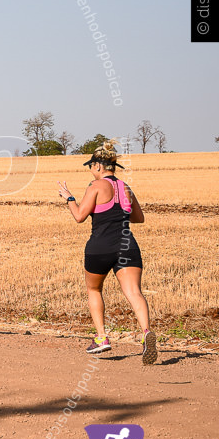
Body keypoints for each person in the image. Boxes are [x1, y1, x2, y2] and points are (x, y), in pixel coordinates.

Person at [58, 139, 156, 365]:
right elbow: (138, 218)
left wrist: (69, 198)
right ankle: (146, 333)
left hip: (100, 246)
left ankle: (102, 338)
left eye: (91, 166)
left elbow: (80, 216)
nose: (91, 171)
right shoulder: (126, 187)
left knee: (94, 289)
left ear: (99, 166)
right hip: (127, 245)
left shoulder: (95, 187)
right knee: (134, 292)